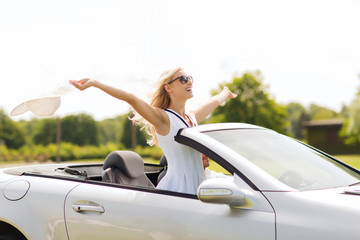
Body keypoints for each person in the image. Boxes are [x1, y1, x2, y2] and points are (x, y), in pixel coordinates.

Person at [70, 67, 236, 194]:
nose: (190, 82)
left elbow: (214, 101)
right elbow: (131, 98)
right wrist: (95, 83)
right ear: (168, 88)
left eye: (190, 78)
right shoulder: (163, 119)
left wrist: (225, 93)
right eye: (183, 79)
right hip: (177, 190)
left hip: (199, 185)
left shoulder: (191, 118)